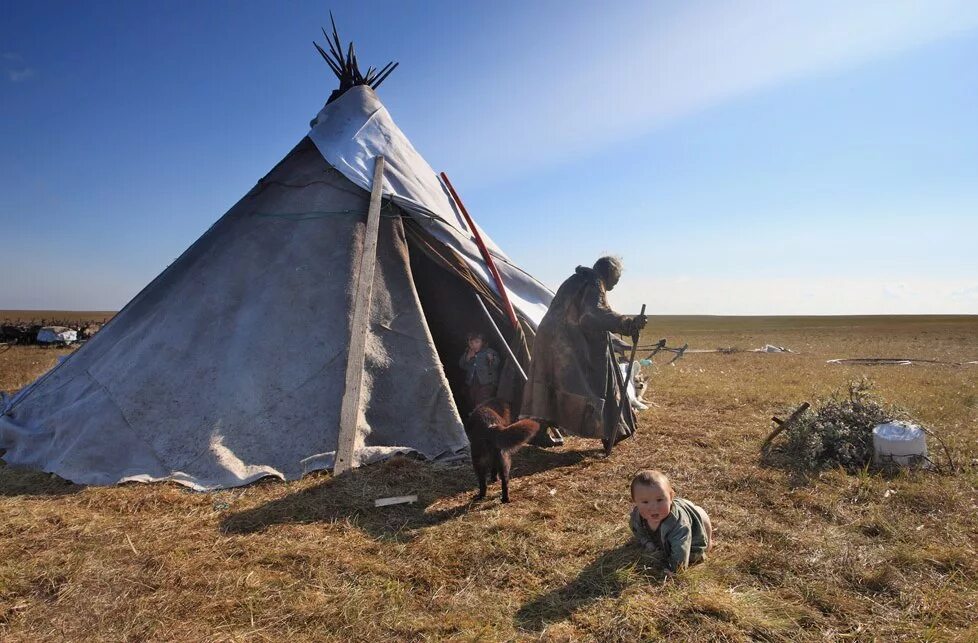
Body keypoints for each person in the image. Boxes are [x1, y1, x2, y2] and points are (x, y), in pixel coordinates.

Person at [521, 256, 647, 446]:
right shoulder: (594, 283)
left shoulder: (575, 280)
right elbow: (591, 315)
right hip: (567, 343)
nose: (616, 282)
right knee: (598, 384)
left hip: (548, 338)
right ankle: (611, 431)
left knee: (548, 382)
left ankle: (537, 431)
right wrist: (626, 323)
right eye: (617, 277)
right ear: (609, 273)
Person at [629, 469, 713, 574]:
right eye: (645, 502)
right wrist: (647, 542)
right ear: (635, 502)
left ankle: (708, 541)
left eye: (660, 500)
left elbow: (680, 550)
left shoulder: (680, 525)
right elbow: (638, 530)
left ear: (671, 497)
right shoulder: (637, 517)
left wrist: (675, 569)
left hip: (692, 538)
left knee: (701, 514)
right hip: (663, 540)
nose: (654, 507)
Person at [458, 331, 500, 409]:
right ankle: (475, 412)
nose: (474, 345)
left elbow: (496, 364)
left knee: (482, 400)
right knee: (472, 398)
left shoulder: (489, 351)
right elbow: (462, 365)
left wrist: (492, 359)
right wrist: (467, 357)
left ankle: (482, 414)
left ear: (483, 342)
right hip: (473, 382)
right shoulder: (468, 352)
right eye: (471, 343)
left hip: (487, 382)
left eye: (477, 342)